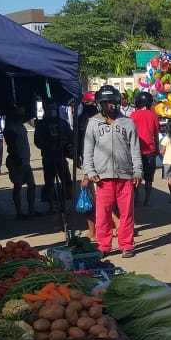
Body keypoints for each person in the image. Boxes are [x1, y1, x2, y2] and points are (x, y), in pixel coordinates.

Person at [83, 84, 142, 258]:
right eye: (106, 102)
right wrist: (90, 170)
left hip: (125, 175)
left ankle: (127, 244)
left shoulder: (128, 123)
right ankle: (104, 246)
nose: (110, 106)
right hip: (102, 177)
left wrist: (138, 171)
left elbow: (135, 150)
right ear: (99, 104)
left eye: (113, 102)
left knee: (127, 213)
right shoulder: (93, 123)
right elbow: (88, 150)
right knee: (103, 214)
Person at [34, 98, 74, 215]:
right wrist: (47, 146)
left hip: (61, 156)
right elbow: (38, 141)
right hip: (48, 157)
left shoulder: (63, 122)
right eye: (49, 107)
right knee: (49, 182)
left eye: (53, 107)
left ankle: (69, 204)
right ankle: (51, 205)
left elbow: (69, 136)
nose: (51, 109)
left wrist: (64, 144)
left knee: (67, 181)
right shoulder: (41, 124)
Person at [4, 106, 38, 220]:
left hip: (25, 160)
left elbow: (30, 113)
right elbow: (11, 145)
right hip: (16, 160)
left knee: (31, 185)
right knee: (18, 185)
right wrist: (17, 159)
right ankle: (19, 212)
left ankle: (31, 210)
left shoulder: (21, 125)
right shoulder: (10, 128)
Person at [130, 91, 162, 206]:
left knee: (136, 175)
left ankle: (136, 198)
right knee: (149, 178)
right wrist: (157, 148)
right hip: (150, 150)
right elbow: (156, 134)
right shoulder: (153, 116)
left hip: (136, 151)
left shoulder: (133, 115)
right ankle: (147, 199)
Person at [77, 95, 100, 240]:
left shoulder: (91, 130)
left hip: (94, 171)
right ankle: (95, 232)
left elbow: (89, 154)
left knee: (92, 204)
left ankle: (94, 232)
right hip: (96, 170)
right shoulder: (95, 128)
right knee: (96, 203)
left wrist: (86, 175)